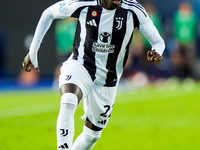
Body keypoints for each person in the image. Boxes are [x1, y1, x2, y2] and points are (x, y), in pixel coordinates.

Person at [22, 0, 165, 149]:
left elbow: (158, 41)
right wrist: (33, 51)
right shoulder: (84, 4)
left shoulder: (134, 10)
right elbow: (49, 13)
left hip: (108, 80)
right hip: (80, 67)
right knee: (68, 100)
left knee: (92, 136)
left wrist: (157, 52)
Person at [53, 18, 77, 89]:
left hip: (74, 49)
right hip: (64, 49)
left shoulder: (77, 24)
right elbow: (61, 36)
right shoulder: (62, 24)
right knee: (61, 65)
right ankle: (56, 83)